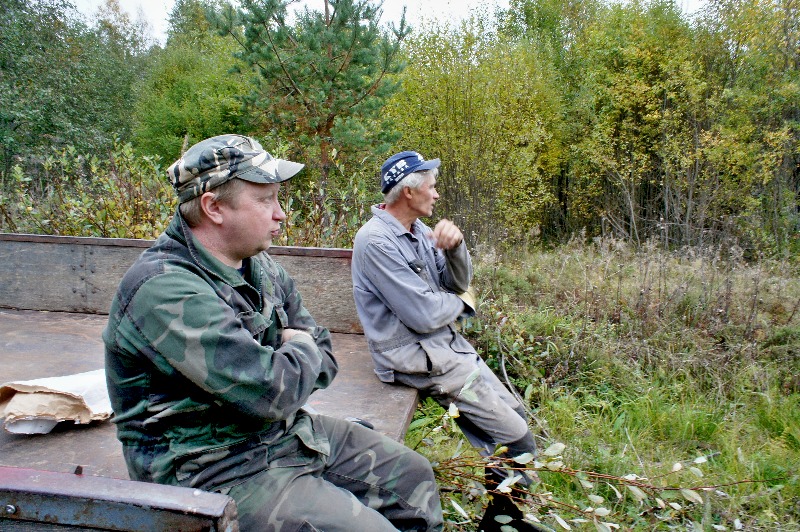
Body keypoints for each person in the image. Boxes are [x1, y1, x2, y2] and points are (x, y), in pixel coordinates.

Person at [103, 135, 443, 532]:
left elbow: (324, 354)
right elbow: (270, 393)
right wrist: (296, 349)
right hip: (208, 468)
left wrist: (294, 353)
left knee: (414, 478)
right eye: (265, 200)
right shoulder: (164, 290)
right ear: (214, 207)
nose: (281, 214)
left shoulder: (259, 267)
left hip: (281, 434)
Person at [351, 151, 540, 528]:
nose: (437, 194)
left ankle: (502, 519)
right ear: (408, 192)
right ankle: (502, 523)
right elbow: (423, 315)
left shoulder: (418, 231)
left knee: (517, 420)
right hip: (416, 357)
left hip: (443, 347)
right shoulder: (375, 241)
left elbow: (457, 282)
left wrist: (455, 248)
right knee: (517, 441)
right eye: (432, 187)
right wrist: (463, 304)